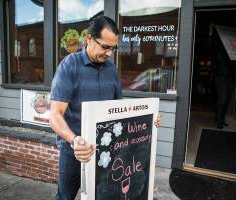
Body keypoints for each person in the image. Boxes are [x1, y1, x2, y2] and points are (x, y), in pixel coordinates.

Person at [49, 16, 162, 200]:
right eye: (104, 47)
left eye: (113, 48)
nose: (109, 53)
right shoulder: (70, 65)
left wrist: (150, 119)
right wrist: (74, 140)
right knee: (65, 197)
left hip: (109, 152)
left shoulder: (111, 69)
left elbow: (122, 111)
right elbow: (55, 115)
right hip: (75, 152)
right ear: (88, 39)